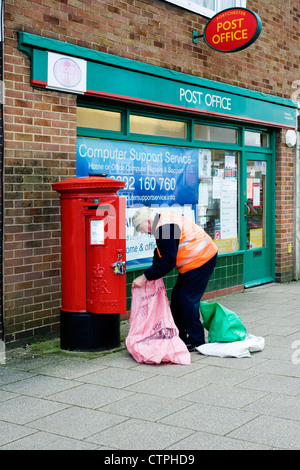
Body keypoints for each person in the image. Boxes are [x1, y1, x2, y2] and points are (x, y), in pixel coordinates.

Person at [132, 206, 218, 351]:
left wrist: (145, 277)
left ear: (147, 221)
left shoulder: (163, 228)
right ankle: (180, 336)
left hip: (202, 258)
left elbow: (168, 261)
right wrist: (152, 274)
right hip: (195, 260)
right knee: (177, 298)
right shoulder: (162, 223)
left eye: (140, 228)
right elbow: (161, 252)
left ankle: (197, 340)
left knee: (187, 298)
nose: (142, 232)